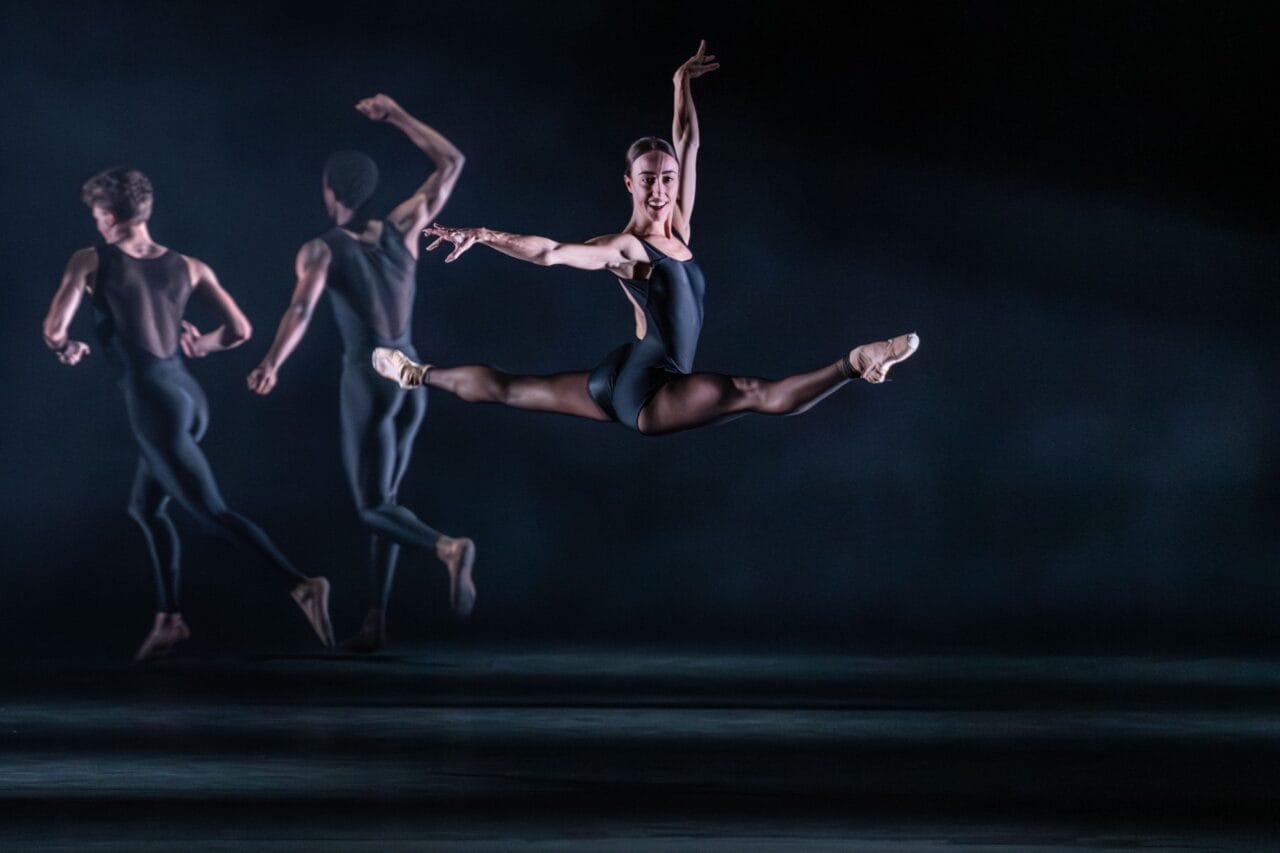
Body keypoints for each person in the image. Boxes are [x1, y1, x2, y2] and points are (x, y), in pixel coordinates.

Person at [372, 41, 919, 438]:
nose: (659, 190)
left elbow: (687, 140)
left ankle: (415, 372)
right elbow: (552, 252)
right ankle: (857, 362)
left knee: (512, 390)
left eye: (667, 178)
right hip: (650, 394)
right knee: (757, 395)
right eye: (649, 180)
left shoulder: (679, 224)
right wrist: (483, 234)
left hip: (625, 372)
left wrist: (680, 86)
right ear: (629, 183)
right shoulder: (628, 248)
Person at [42, 167, 335, 661]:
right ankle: (169, 619)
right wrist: (203, 344)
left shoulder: (89, 261)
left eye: (96, 215)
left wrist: (66, 346)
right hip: (188, 397)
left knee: (213, 513)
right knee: (146, 508)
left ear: (109, 216)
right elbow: (240, 330)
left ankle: (302, 585)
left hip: (154, 404)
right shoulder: (191, 267)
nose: (96, 224)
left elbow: (53, 328)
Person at [247, 94, 475, 653]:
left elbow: (300, 310)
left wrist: (271, 362)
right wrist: (397, 115)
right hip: (413, 371)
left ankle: (446, 548)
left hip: (370, 375)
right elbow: (452, 163)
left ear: (330, 193)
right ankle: (375, 621)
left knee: (371, 506)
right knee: (388, 499)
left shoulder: (320, 250)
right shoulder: (403, 227)